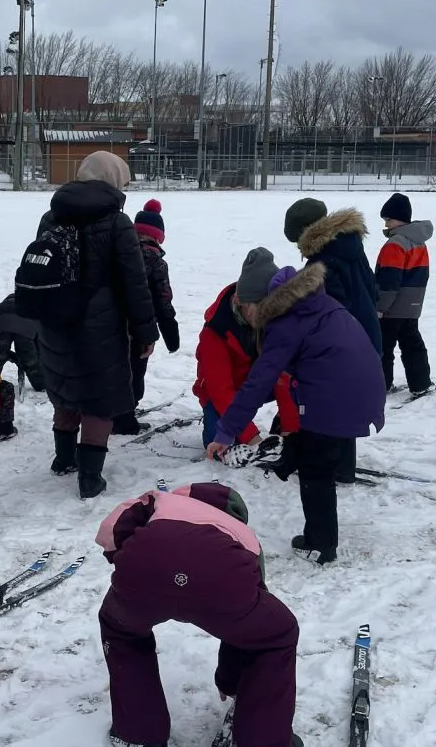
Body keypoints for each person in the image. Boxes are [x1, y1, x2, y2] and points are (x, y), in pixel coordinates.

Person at [96, 481, 303, 747]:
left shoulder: (160, 501)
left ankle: (139, 738)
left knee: (121, 631)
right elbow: (247, 624)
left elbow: (112, 529)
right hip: (221, 580)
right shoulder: (243, 535)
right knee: (274, 634)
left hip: (144, 571)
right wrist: (230, 680)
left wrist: (131, 565)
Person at [205, 250, 386, 565]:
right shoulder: (310, 302)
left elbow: (259, 382)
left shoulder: (284, 321)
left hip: (336, 395)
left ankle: (320, 545)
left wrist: (225, 433)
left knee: (316, 471)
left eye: (245, 306)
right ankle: (285, 457)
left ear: (259, 302)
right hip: (363, 386)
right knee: (315, 444)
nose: (245, 314)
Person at [31, 151, 158, 498]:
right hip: (101, 325)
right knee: (99, 398)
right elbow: (135, 283)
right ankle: (90, 477)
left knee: (66, 384)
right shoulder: (117, 223)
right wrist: (145, 331)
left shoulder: (51, 216)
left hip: (56, 319)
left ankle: (63, 459)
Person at [193, 266, 300, 451]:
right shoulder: (215, 331)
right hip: (222, 395)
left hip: (256, 386)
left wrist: (290, 430)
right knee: (224, 446)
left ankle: (283, 425)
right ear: (239, 300)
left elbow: (283, 375)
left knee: (299, 379)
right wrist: (252, 439)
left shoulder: (272, 320)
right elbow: (221, 391)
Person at [112, 199, 181, 435]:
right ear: (158, 237)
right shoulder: (156, 262)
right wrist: (171, 335)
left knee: (115, 369)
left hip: (110, 323)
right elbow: (163, 301)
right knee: (135, 371)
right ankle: (125, 418)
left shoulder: (117, 253)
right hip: (140, 327)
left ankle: (112, 413)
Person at [283, 198, 382, 357]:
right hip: (370, 338)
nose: (299, 248)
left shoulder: (320, 265)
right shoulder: (350, 245)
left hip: (347, 350)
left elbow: (330, 315)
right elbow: (371, 287)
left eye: (298, 242)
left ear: (305, 234)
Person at [374, 192, 434, 397]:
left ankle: (381, 385)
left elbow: (389, 280)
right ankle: (420, 383)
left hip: (393, 307)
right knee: (412, 344)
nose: (386, 224)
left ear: (400, 219)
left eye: (389, 219)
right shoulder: (419, 242)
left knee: (384, 347)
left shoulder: (395, 244)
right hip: (412, 305)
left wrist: (381, 306)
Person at [0, 293, 45, 392]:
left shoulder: (3, 305)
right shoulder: (35, 307)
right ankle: (41, 384)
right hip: (25, 326)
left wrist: (6, 354)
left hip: (0, 324)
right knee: (29, 357)